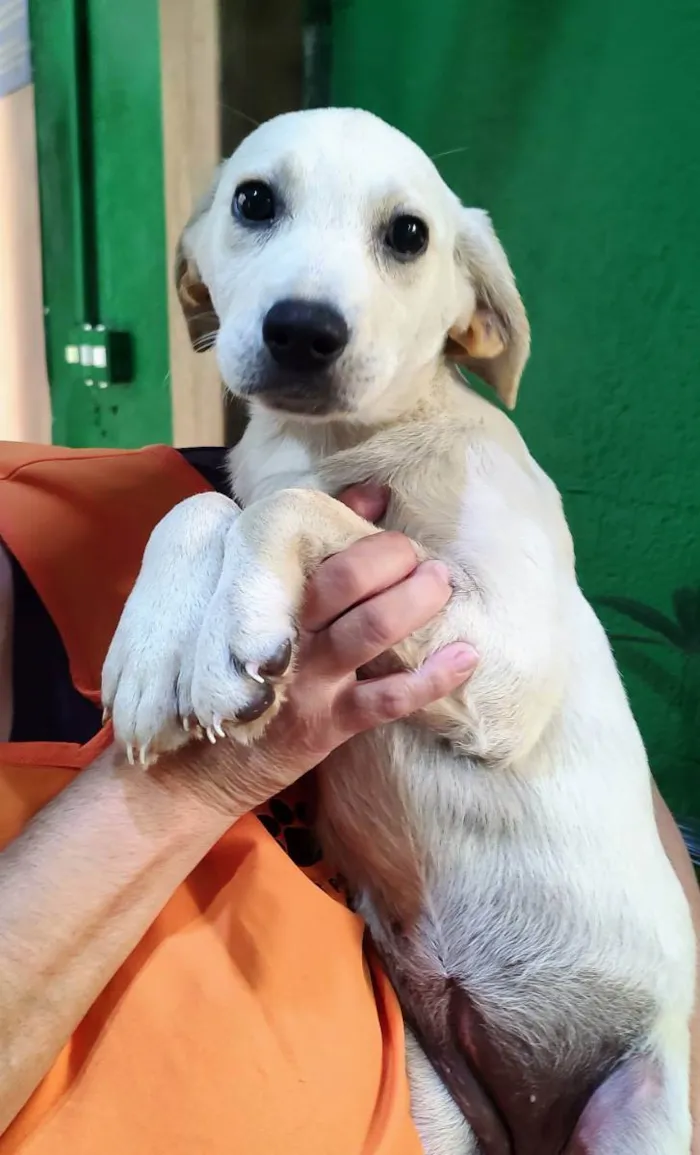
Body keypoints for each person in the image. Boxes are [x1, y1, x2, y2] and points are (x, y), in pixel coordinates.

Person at [0, 440, 698, 1154]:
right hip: (432, 1094)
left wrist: (678, 1061)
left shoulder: (179, 484)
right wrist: (201, 781)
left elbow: (573, 738)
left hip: (613, 1056)